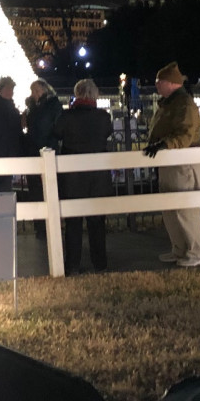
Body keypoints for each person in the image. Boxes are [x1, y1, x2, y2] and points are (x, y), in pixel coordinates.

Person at [144, 61, 200, 267]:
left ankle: (196, 252)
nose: (156, 85)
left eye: (159, 81)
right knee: (170, 208)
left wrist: (164, 144)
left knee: (185, 209)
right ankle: (179, 249)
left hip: (183, 161)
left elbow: (186, 134)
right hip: (170, 161)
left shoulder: (184, 105)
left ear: (170, 83)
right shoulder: (170, 103)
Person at [52, 78, 113, 273]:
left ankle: (72, 264)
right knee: (97, 223)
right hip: (97, 176)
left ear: (77, 94)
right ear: (94, 94)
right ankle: (100, 263)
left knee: (73, 223)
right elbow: (107, 134)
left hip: (73, 177)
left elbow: (57, 132)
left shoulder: (67, 116)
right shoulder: (103, 117)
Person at [21, 79, 62, 238]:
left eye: (37, 90)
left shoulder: (51, 105)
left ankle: (49, 226)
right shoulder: (32, 108)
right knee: (36, 191)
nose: (35, 94)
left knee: (48, 189)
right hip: (34, 152)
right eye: (33, 91)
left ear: (45, 90)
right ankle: (40, 227)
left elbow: (48, 128)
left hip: (47, 150)